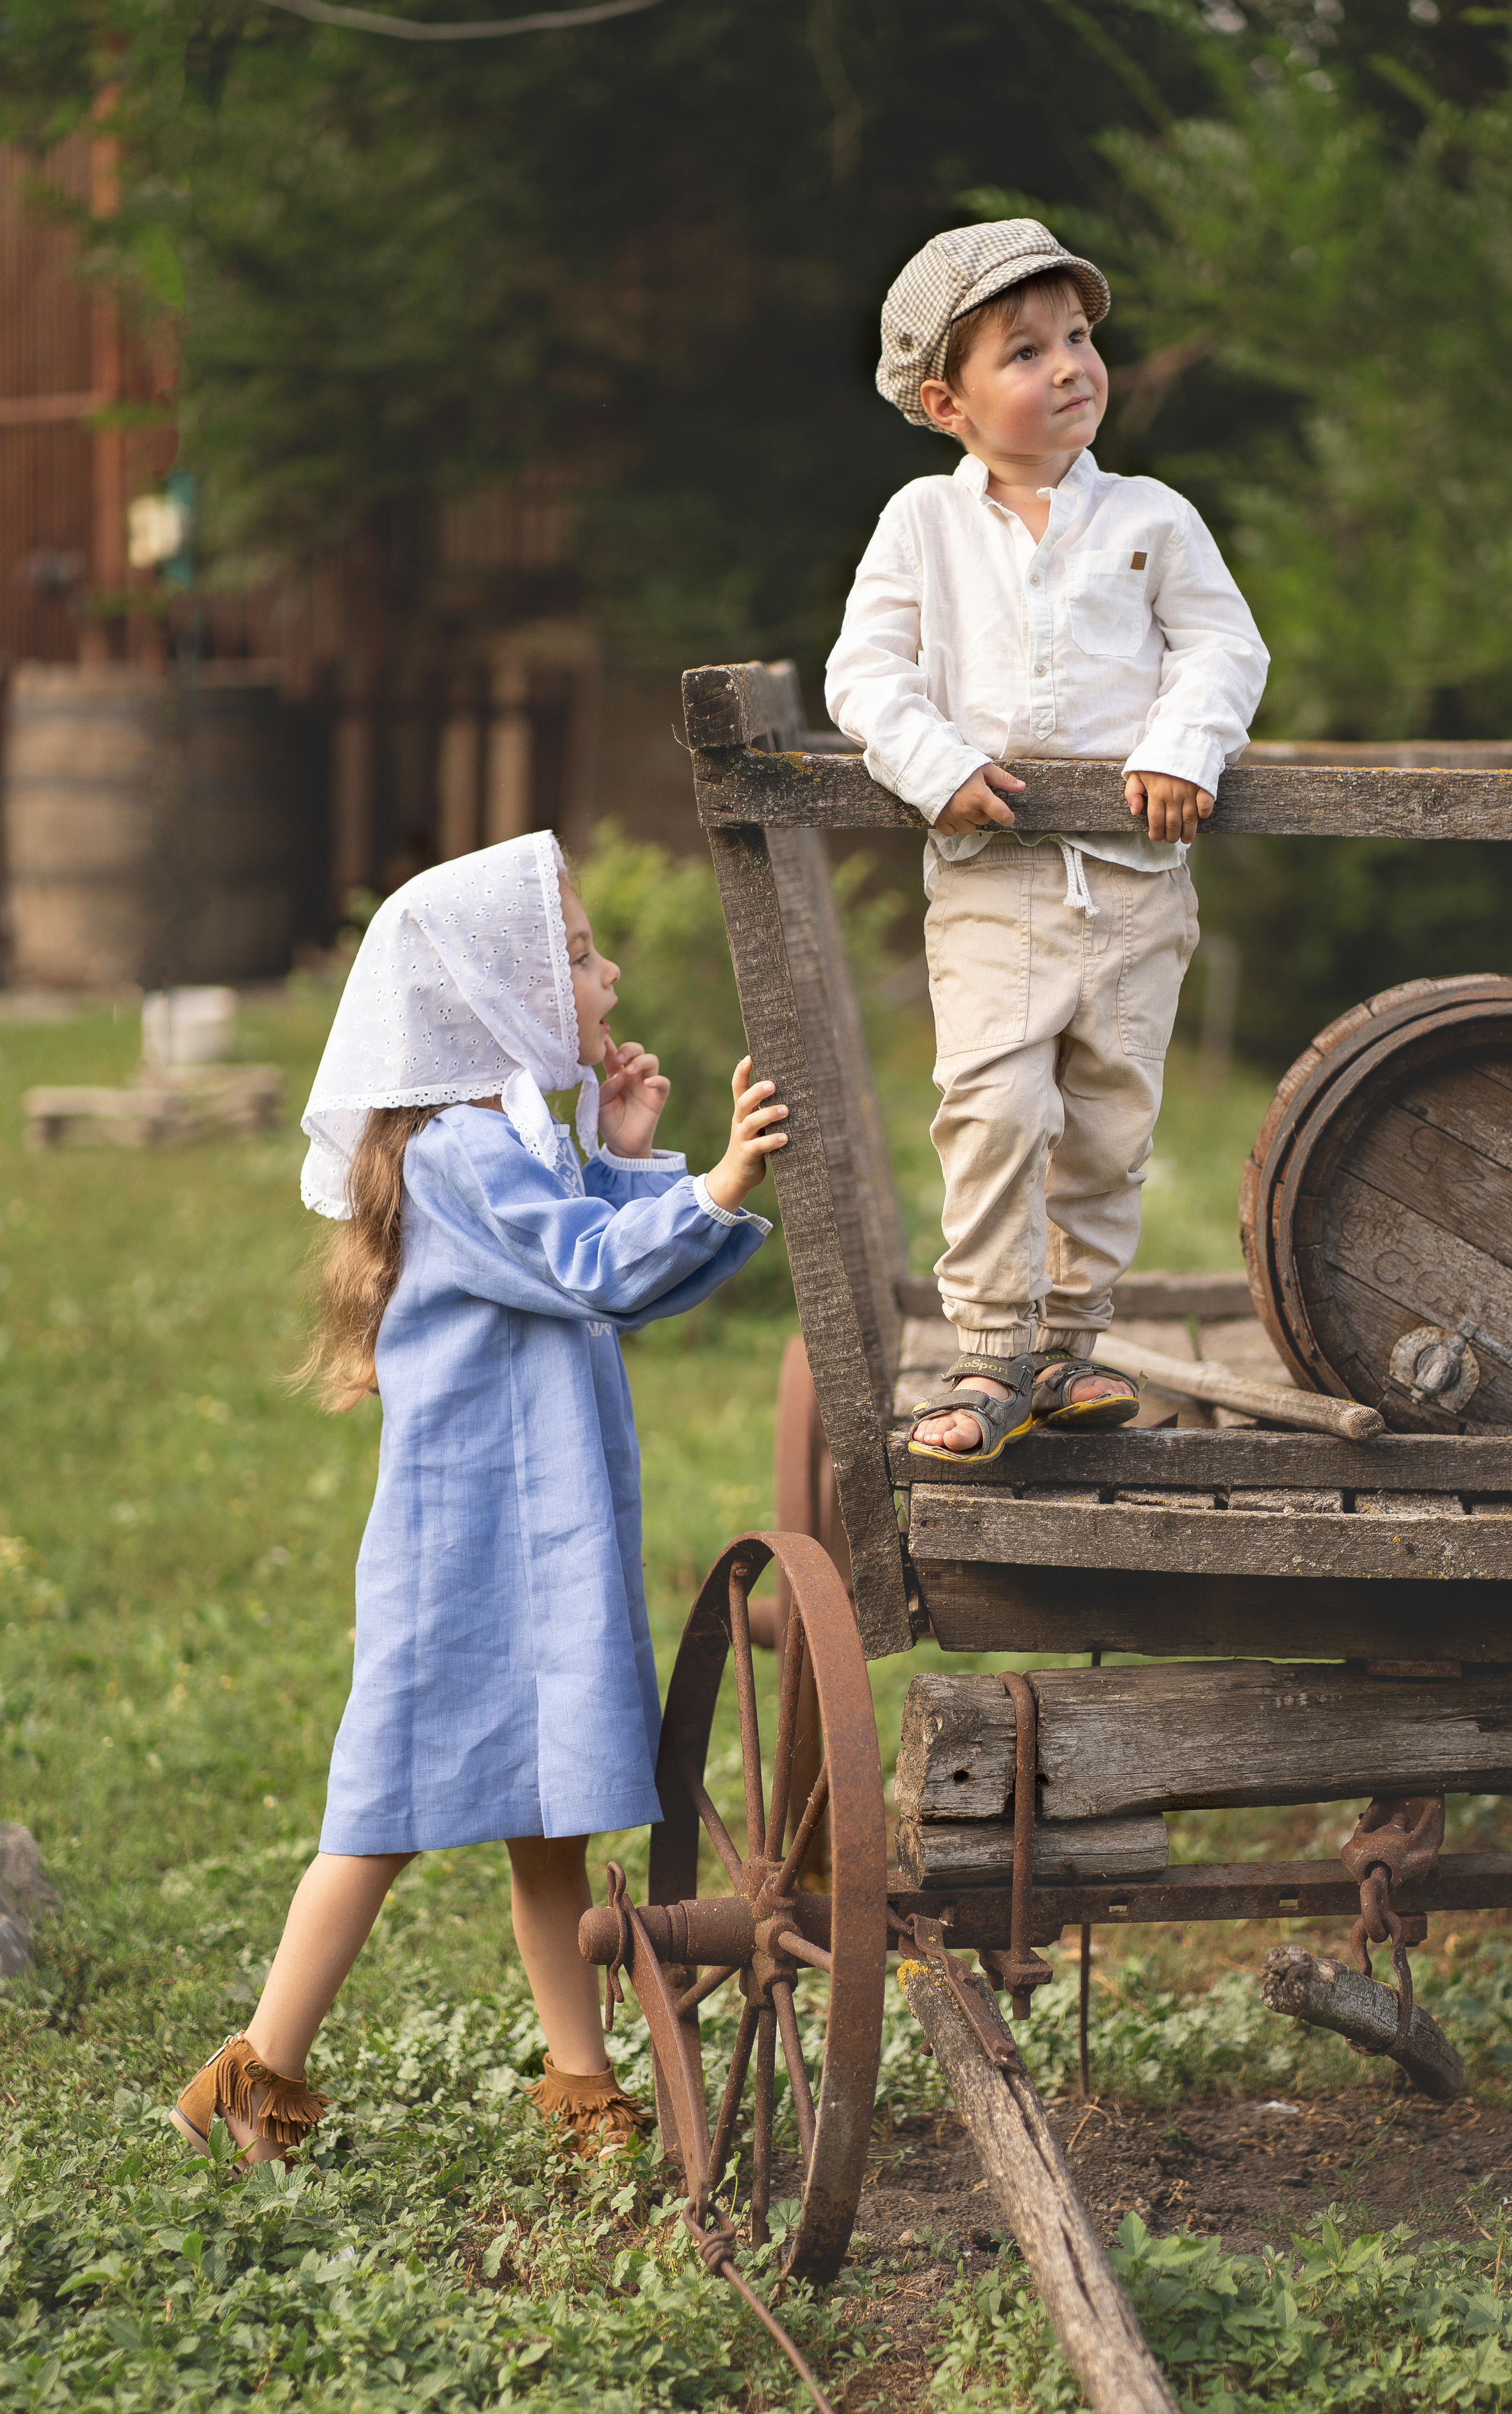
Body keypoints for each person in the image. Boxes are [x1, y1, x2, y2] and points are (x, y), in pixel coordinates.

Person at [170, 831, 784, 2166]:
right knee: (381, 1818)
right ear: (489, 995)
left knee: (549, 1818)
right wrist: (717, 1181)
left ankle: (578, 2081)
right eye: (573, 953)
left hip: (535, 1534)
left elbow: (579, 1241)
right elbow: (587, 1265)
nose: (607, 972)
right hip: (468, 1549)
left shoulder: (503, 1136)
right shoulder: (460, 1147)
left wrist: (628, 1155)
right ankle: (252, 2074)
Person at [827, 219, 1269, 1460]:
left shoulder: (1149, 517)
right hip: (994, 884)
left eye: (1078, 336)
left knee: (1111, 1123)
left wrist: (1184, 746)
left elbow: (1224, 648)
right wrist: (939, 765)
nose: (1070, 364)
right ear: (944, 400)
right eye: (1024, 350)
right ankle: (988, 1351)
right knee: (995, 1107)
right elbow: (865, 675)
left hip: (1133, 886)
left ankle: (1071, 1347)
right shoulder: (923, 523)